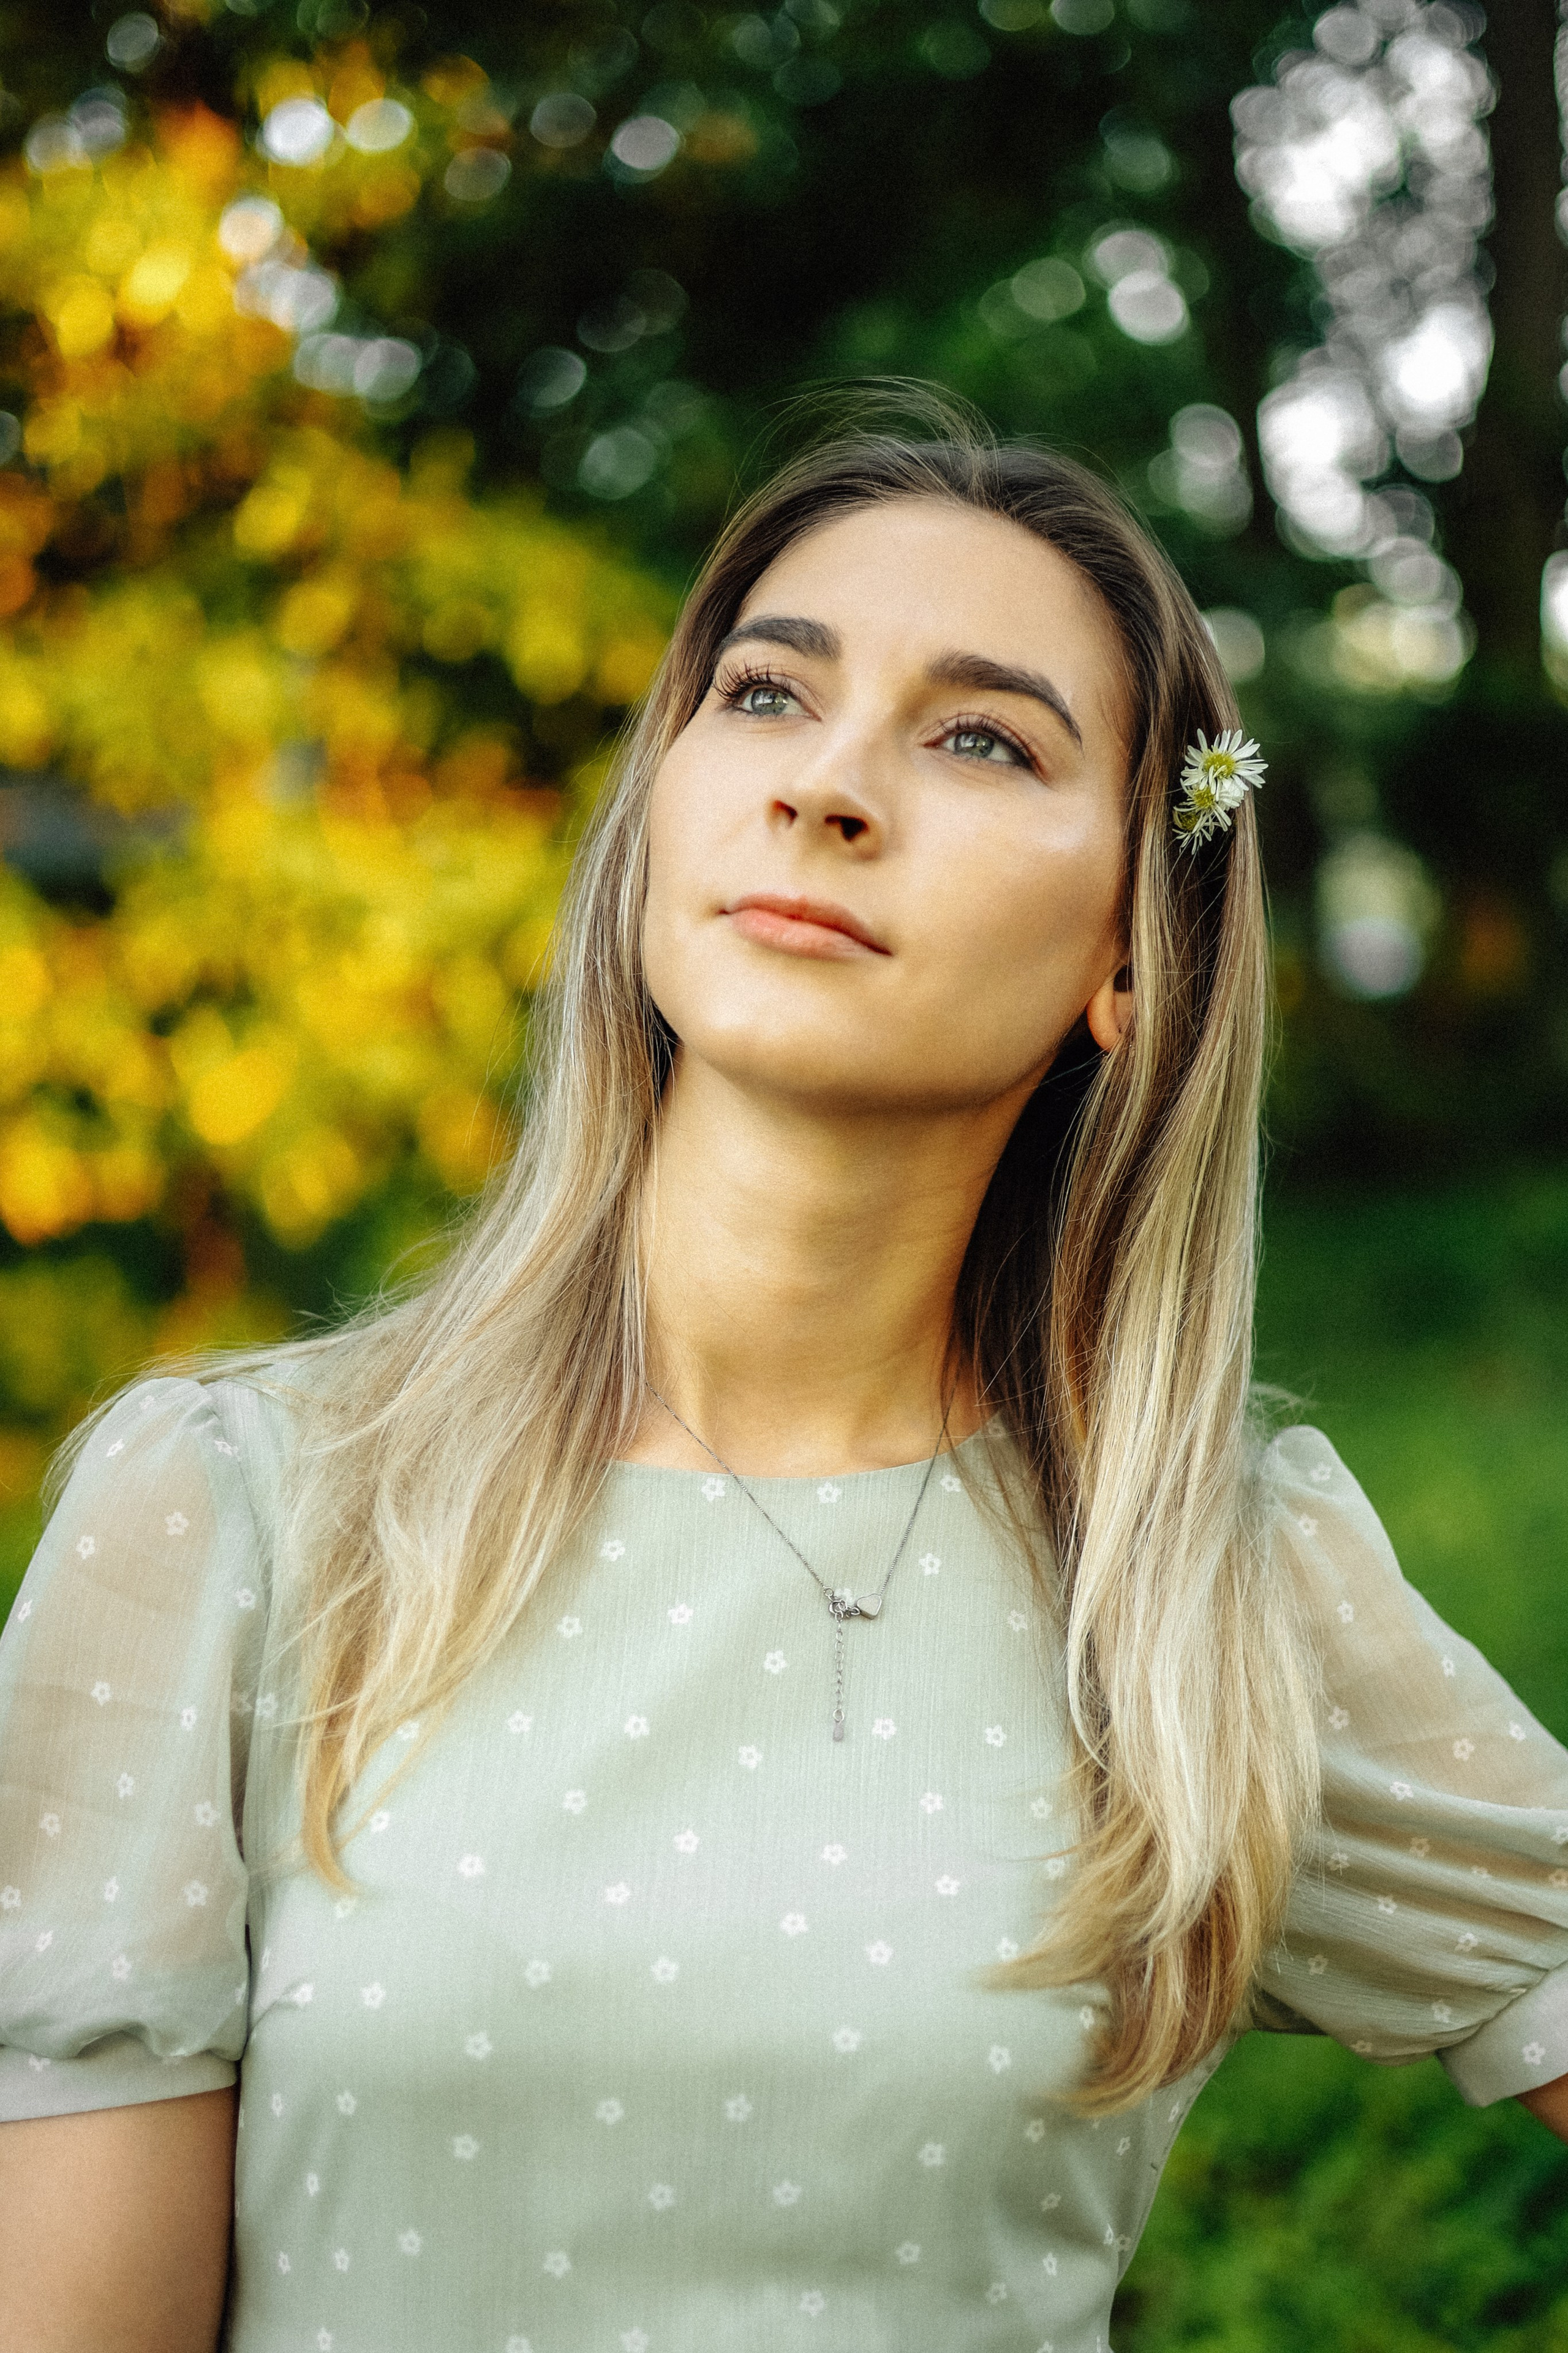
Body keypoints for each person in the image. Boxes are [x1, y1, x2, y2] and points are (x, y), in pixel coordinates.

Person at [1, 407, 1564, 2353]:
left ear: (1129, 960)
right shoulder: (237, 1509)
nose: (829, 785)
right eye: (766, 693)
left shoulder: (1209, 1587)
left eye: (981, 735)